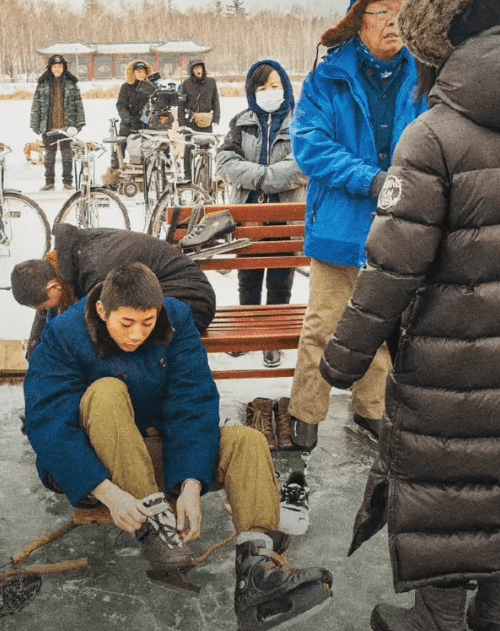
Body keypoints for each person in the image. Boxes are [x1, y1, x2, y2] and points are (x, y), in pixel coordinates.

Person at [319, 0, 500, 631]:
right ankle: (496, 618)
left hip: (449, 361)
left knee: (448, 488)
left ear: (436, 40)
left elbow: (393, 267)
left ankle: (434, 619)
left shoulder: (433, 135)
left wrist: (342, 360)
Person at [23, 263, 331, 631]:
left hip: (158, 448)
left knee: (246, 441)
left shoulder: (176, 320)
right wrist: (107, 493)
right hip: (94, 467)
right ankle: (157, 526)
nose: (137, 334)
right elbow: (48, 425)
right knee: (105, 392)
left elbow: (192, 400)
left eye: (147, 322)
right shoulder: (63, 334)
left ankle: (256, 569)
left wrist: (190, 483)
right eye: (127, 324)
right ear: (103, 311)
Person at [285, 0, 426, 449]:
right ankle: (305, 414)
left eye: (401, 12)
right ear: (358, 18)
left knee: (384, 322)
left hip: (402, 228)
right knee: (325, 325)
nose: (393, 21)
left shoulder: (425, 74)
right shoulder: (327, 78)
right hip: (341, 226)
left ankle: (374, 410)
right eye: (381, 11)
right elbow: (310, 146)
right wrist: (371, 180)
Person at [215, 59, 307, 369]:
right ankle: (246, 331)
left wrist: (264, 176)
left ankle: (272, 338)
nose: (270, 92)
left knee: (281, 279)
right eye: (263, 87)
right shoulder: (241, 122)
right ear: (252, 92)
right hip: (250, 212)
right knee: (249, 278)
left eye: (275, 86)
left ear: (286, 87)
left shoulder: (301, 122)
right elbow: (225, 163)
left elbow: (303, 165)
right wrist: (262, 176)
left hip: (285, 213)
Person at [11, 222, 216, 356]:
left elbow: (94, 326)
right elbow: (47, 316)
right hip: (159, 292)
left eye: (45, 305)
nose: (46, 310)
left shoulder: (95, 270)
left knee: (115, 338)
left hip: (190, 301)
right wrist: (35, 353)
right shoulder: (64, 259)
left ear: (53, 286)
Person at [30, 53, 85, 191]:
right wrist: (35, 123)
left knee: (67, 155)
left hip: (67, 125)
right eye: (54, 66)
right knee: (49, 156)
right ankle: (49, 182)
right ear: (50, 68)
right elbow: (36, 105)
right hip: (49, 125)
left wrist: (79, 122)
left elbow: (78, 104)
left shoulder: (71, 83)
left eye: (60, 66)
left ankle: (68, 182)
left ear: (64, 67)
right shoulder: (43, 83)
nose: (57, 69)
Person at [177, 59, 221, 178]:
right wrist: (181, 123)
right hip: (190, 121)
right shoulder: (186, 83)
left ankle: (206, 176)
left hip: (207, 122)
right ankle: (188, 176)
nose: (198, 70)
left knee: (206, 148)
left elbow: (216, 101)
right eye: (195, 68)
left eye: (200, 68)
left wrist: (216, 120)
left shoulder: (211, 82)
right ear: (192, 70)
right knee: (188, 148)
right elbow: (181, 104)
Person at [115, 60, 155, 167]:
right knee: (122, 141)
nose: (141, 75)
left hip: (146, 121)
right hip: (129, 121)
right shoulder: (126, 87)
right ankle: (117, 164)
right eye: (139, 72)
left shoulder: (151, 87)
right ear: (133, 73)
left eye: (143, 72)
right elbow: (121, 105)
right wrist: (127, 119)